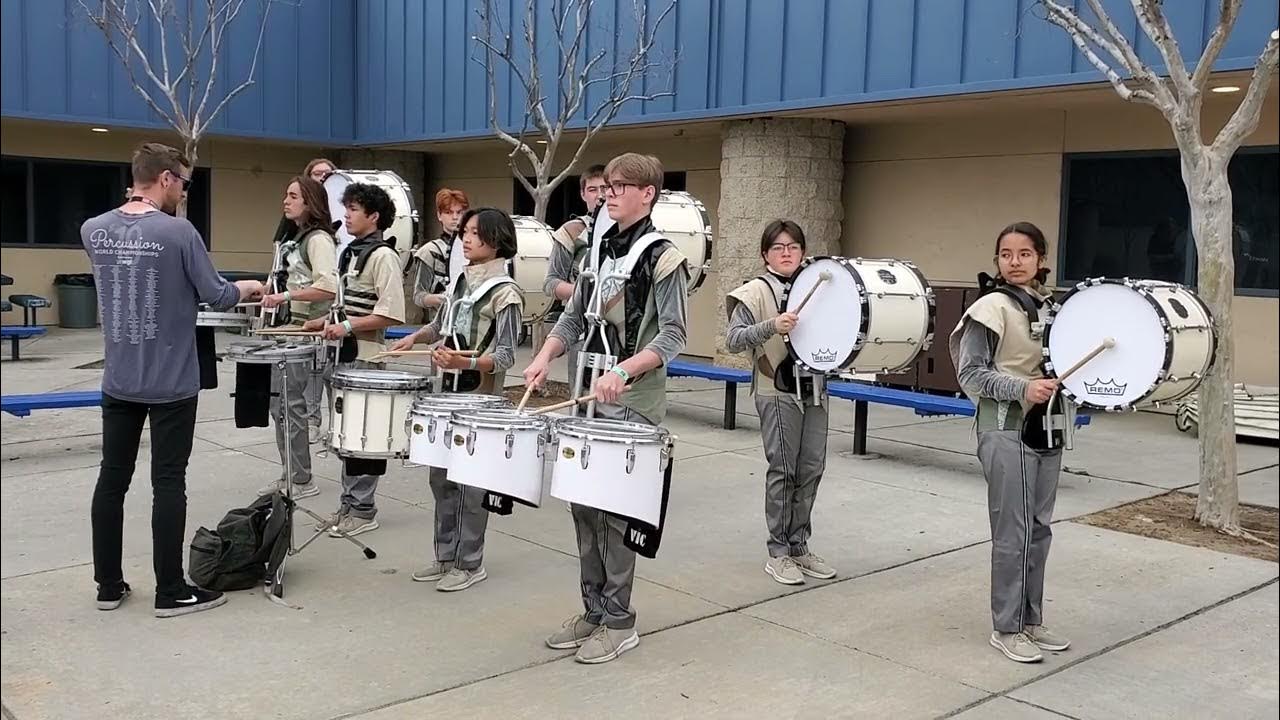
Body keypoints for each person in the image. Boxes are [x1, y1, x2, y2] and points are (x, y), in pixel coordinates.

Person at [83, 142, 264, 618]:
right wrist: (249, 287)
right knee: (168, 482)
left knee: (112, 480)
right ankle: (170, 590)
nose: (184, 192)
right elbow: (218, 295)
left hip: (118, 378)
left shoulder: (93, 230)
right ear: (165, 179)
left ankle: (108, 585)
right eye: (183, 183)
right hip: (171, 383)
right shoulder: (179, 233)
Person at [523, 153, 689, 664]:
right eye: (607, 186)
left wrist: (625, 369)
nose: (610, 192)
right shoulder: (594, 252)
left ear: (648, 194)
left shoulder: (663, 256)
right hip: (585, 395)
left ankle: (619, 620)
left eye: (622, 186)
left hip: (630, 401)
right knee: (582, 507)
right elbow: (574, 317)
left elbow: (675, 335)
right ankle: (592, 610)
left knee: (616, 515)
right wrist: (545, 357)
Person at [949, 221, 1072, 664]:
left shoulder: (1054, 307)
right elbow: (970, 373)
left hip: (1049, 428)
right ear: (998, 260)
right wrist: (1022, 389)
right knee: (1013, 532)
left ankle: (1031, 619)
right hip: (1005, 429)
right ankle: (1007, 626)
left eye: (1024, 253)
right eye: (1006, 254)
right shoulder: (991, 308)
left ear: (1041, 258)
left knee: (1039, 530)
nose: (1015, 262)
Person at [388, 208, 524, 592]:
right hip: (444, 394)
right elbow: (442, 326)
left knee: (471, 483)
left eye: (474, 233)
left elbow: (508, 355)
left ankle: (469, 562)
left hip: (478, 399)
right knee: (441, 478)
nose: (465, 239)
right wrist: (415, 338)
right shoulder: (462, 280)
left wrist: (465, 359)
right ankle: (445, 555)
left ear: (495, 240)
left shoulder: (506, 293)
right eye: (464, 232)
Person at [724, 220, 837, 586]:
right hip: (776, 391)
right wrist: (772, 325)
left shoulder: (819, 286)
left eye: (793, 246)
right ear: (765, 254)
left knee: (812, 469)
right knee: (783, 469)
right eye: (778, 247)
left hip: (815, 389)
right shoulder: (754, 293)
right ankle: (779, 551)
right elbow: (734, 340)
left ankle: (800, 544)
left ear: (803, 251)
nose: (786, 253)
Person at [302, 183, 406, 537]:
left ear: (374, 217)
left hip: (366, 360)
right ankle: (348, 505)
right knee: (346, 437)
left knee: (365, 437)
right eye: (346, 208)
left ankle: (363, 511)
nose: (346, 215)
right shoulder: (350, 253)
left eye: (354, 209)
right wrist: (326, 321)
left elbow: (391, 314)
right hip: (342, 359)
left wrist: (346, 326)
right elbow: (346, 305)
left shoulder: (383, 256)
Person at [257, 176, 339, 499]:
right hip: (284, 332)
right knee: (279, 405)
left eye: (293, 196)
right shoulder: (293, 238)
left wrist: (286, 297)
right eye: (285, 194)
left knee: (290, 406)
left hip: (301, 335)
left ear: (310, 202)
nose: (285, 201)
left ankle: (301, 477)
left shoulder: (318, 240)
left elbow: (329, 286)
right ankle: (291, 472)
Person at [542, 165, 608, 384]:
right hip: (581, 328)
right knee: (581, 396)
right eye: (592, 189)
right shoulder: (572, 231)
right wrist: (587, 293)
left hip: (619, 329)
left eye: (605, 188)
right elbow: (551, 283)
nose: (600, 195)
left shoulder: (627, 231)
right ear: (582, 194)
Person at [410, 189, 470, 319]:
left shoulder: (475, 246)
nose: (455, 217)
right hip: (440, 323)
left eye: (460, 212)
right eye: (448, 212)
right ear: (439, 215)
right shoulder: (430, 251)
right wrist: (442, 299)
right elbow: (418, 295)